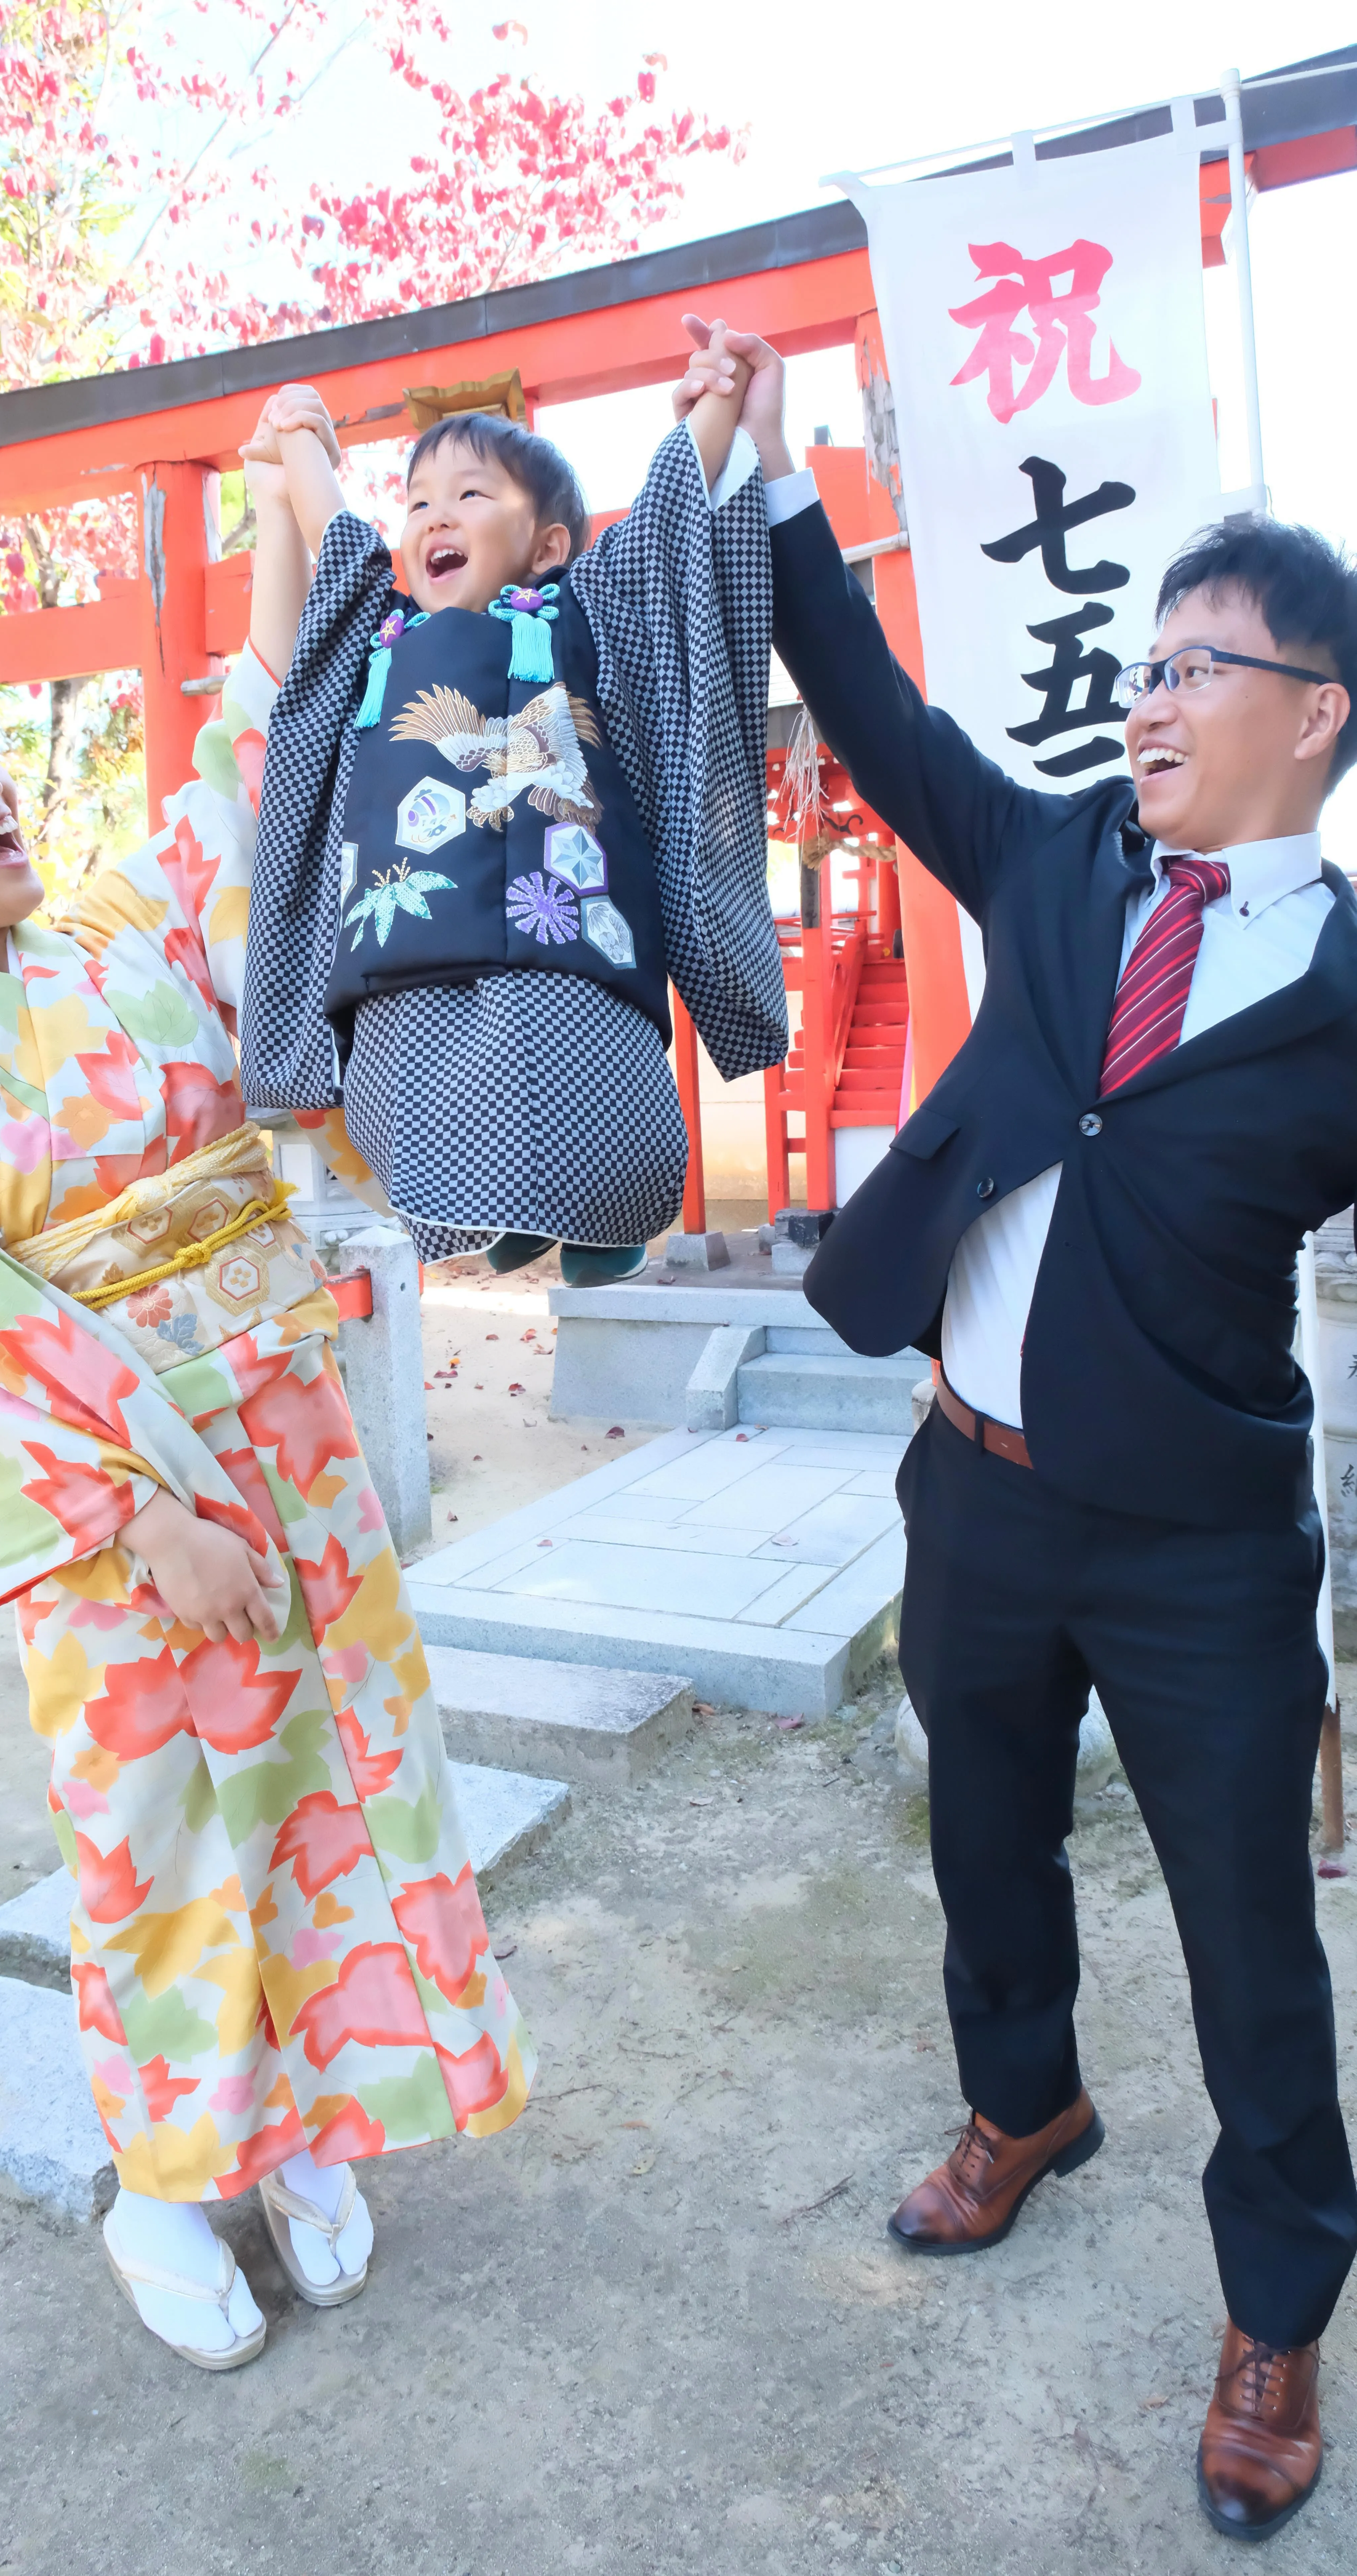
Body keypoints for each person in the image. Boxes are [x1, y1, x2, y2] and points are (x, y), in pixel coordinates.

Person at [674, 317, 1357, 2542]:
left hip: (1197, 1549)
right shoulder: (1055, 866)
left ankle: (1274, 2313)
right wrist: (775, 486)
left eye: (1203, 662)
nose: (1148, 693)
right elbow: (877, 717)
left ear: (1313, 715)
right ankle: (1020, 2109)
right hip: (968, 1485)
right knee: (982, 1850)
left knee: (1249, 1930)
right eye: (1142, 655)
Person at [0, 591, 532, 2368]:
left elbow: (237, 813)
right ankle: (166, 2180)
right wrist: (135, 1520)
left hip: (296, 1458)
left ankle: (317, 2127)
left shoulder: (111, 935)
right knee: (166, 1843)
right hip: (130, 1527)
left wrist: (283, 568)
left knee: (333, 1792)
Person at [237, 343, 787, 1283]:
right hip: (403, 967)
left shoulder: (588, 613)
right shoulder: (378, 638)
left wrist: (714, 408)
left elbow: (658, 527)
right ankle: (522, 1220)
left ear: (548, 546)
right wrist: (295, 450)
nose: (434, 517)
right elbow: (342, 547)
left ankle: (598, 1223)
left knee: (591, 1108)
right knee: (427, 1129)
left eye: (471, 496)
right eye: (417, 503)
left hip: (565, 951)